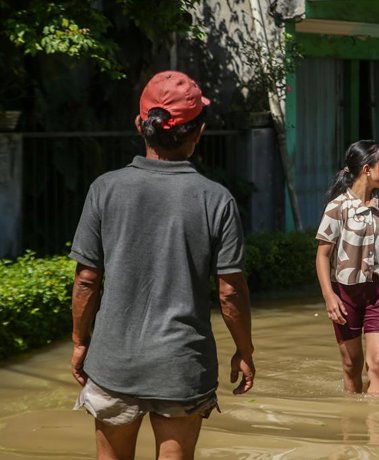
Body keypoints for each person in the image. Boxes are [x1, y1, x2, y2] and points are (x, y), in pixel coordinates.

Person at [70, 70, 255, 459]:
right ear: (198, 132)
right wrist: (244, 350)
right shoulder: (215, 199)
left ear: (141, 125)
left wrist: (79, 341)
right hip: (182, 367)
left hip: (113, 363)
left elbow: (87, 281)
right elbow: (230, 291)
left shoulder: (104, 189)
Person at [315, 139, 379, 395]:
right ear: (367, 169)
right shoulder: (337, 208)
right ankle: (353, 430)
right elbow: (323, 256)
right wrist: (328, 295)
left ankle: (375, 432)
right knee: (351, 365)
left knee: (377, 365)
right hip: (345, 294)